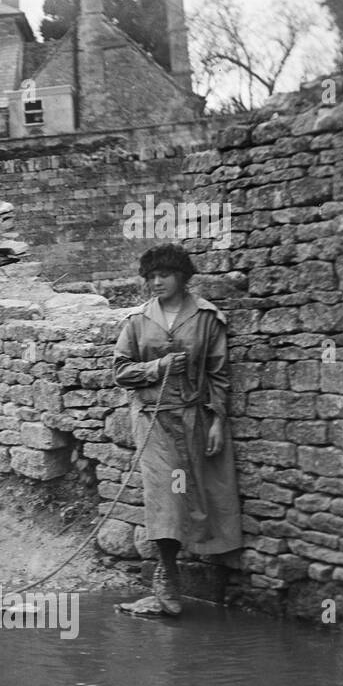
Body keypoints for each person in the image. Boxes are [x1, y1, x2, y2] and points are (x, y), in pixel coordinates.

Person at [113, 244, 242, 617]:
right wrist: (157, 366)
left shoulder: (206, 318)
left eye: (164, 276)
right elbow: (121, 372)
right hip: (152, 419)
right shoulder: (138, 321)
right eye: (151, 277)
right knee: (166, 495)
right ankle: (166, 583)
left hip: (193, 418)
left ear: (183, 278)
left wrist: (218, 419)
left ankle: (214, 576)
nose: (156, 282)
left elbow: (219, 374)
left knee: (201, 495)